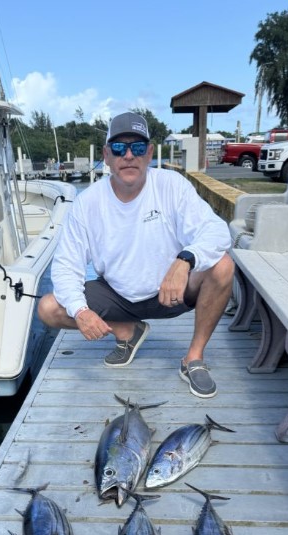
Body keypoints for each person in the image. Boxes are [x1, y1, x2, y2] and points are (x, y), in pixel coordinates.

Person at [38, 112, 234, 399]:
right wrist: (81, 311)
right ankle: (127, 331)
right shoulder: (86, 203)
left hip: (171, 294)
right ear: (106, 155)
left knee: (223, 266)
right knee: (48, 308)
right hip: (117, 296)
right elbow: (67, 265)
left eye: (138, 148)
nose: (128, 155)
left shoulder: (172, 185)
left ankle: (193, 358)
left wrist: (185, 259)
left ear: (150, 153)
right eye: (119, 148)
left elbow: (216, 230)